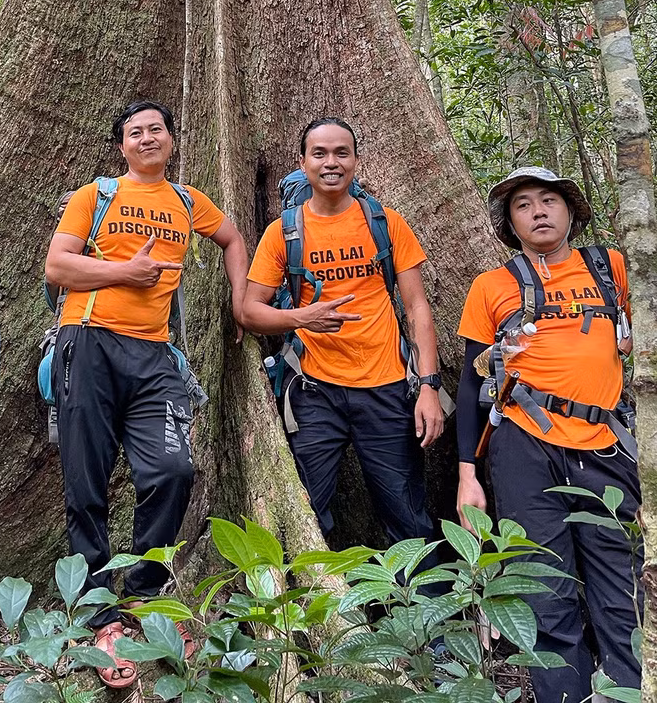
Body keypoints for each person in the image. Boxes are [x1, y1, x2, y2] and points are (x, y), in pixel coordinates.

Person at [44, 99, 247, 689]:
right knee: (86, 479)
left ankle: (146, 592)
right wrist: (122, 274)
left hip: (155, 355)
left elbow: (233, 239)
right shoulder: (96, 195)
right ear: (122, 146)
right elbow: (58, 267)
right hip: (88, 343)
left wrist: (239, 297)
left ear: (173, 140)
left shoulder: (188, 202)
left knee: (174, 468)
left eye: (156, 129)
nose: (147, 138)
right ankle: (100, 612)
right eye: (135, 132)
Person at [456, 166, 640, 703]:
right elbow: (471, 385)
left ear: (570, 211)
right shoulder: (492, 286)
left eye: (549, 200)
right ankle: (563, 695)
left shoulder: (612, 269)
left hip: (606, 442)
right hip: (523, 444)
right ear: (509, 223)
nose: (538, 211)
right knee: (543, 582)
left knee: (617, 580)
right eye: (523, 205)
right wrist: (468, 473)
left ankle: (629, 690)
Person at [237, 117, 444, 545]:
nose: (331, 162)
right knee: (306, 507)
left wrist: (428, 386)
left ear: (355, 160)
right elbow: (249, 312)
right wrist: (302, 318)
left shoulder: (386, 224)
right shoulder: (284, 233)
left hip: (386, 389)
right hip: (316, 392)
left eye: (341, 153)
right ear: (303, 162)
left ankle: (426, 608)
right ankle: (317, 604)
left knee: (406, 511)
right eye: (320, 153)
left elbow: (417, 307)